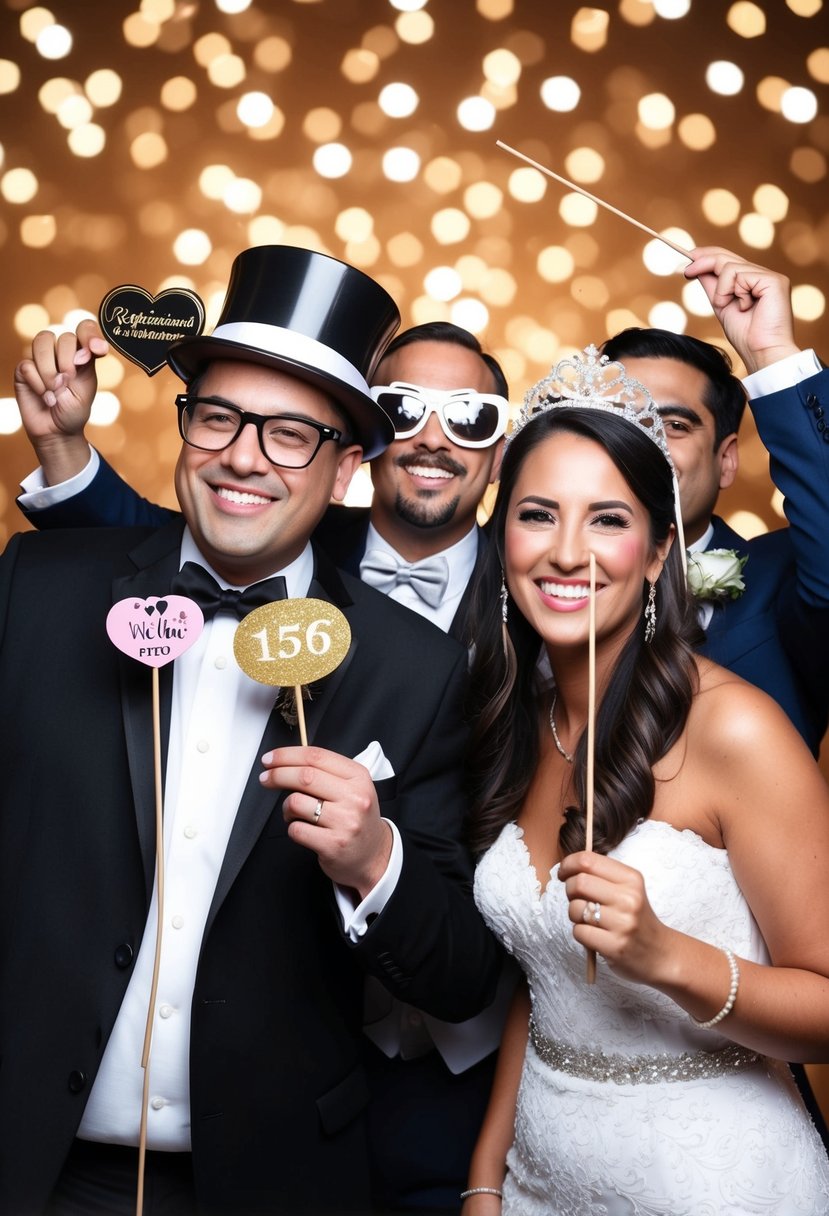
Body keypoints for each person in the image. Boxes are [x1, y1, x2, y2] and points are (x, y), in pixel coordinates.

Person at [0, 244, 501, 1216]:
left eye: (288, 435)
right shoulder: (39, 590)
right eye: (219, 417)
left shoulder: (417, 667)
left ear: (348, 466)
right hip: (28, 1157)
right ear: (185, 428)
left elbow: (459, 971)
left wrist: (375, 859)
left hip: (270, 1178)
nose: (241, 455)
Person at [460, 346, 829, 1214]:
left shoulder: (732, 727)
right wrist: (484, 1181)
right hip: (537, 1180)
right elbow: (544, 974)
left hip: (709, 1181)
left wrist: (667, 957)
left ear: (661, 550)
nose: (564, 552)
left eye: (607, 520)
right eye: (537, 514)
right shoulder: (517, 714)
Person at [602, 246, 829, 757]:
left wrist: (770, 352)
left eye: (674, 425)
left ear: (726, 460)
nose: (642, 445)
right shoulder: (523, 575)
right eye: (618, 421)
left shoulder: (784, 582)